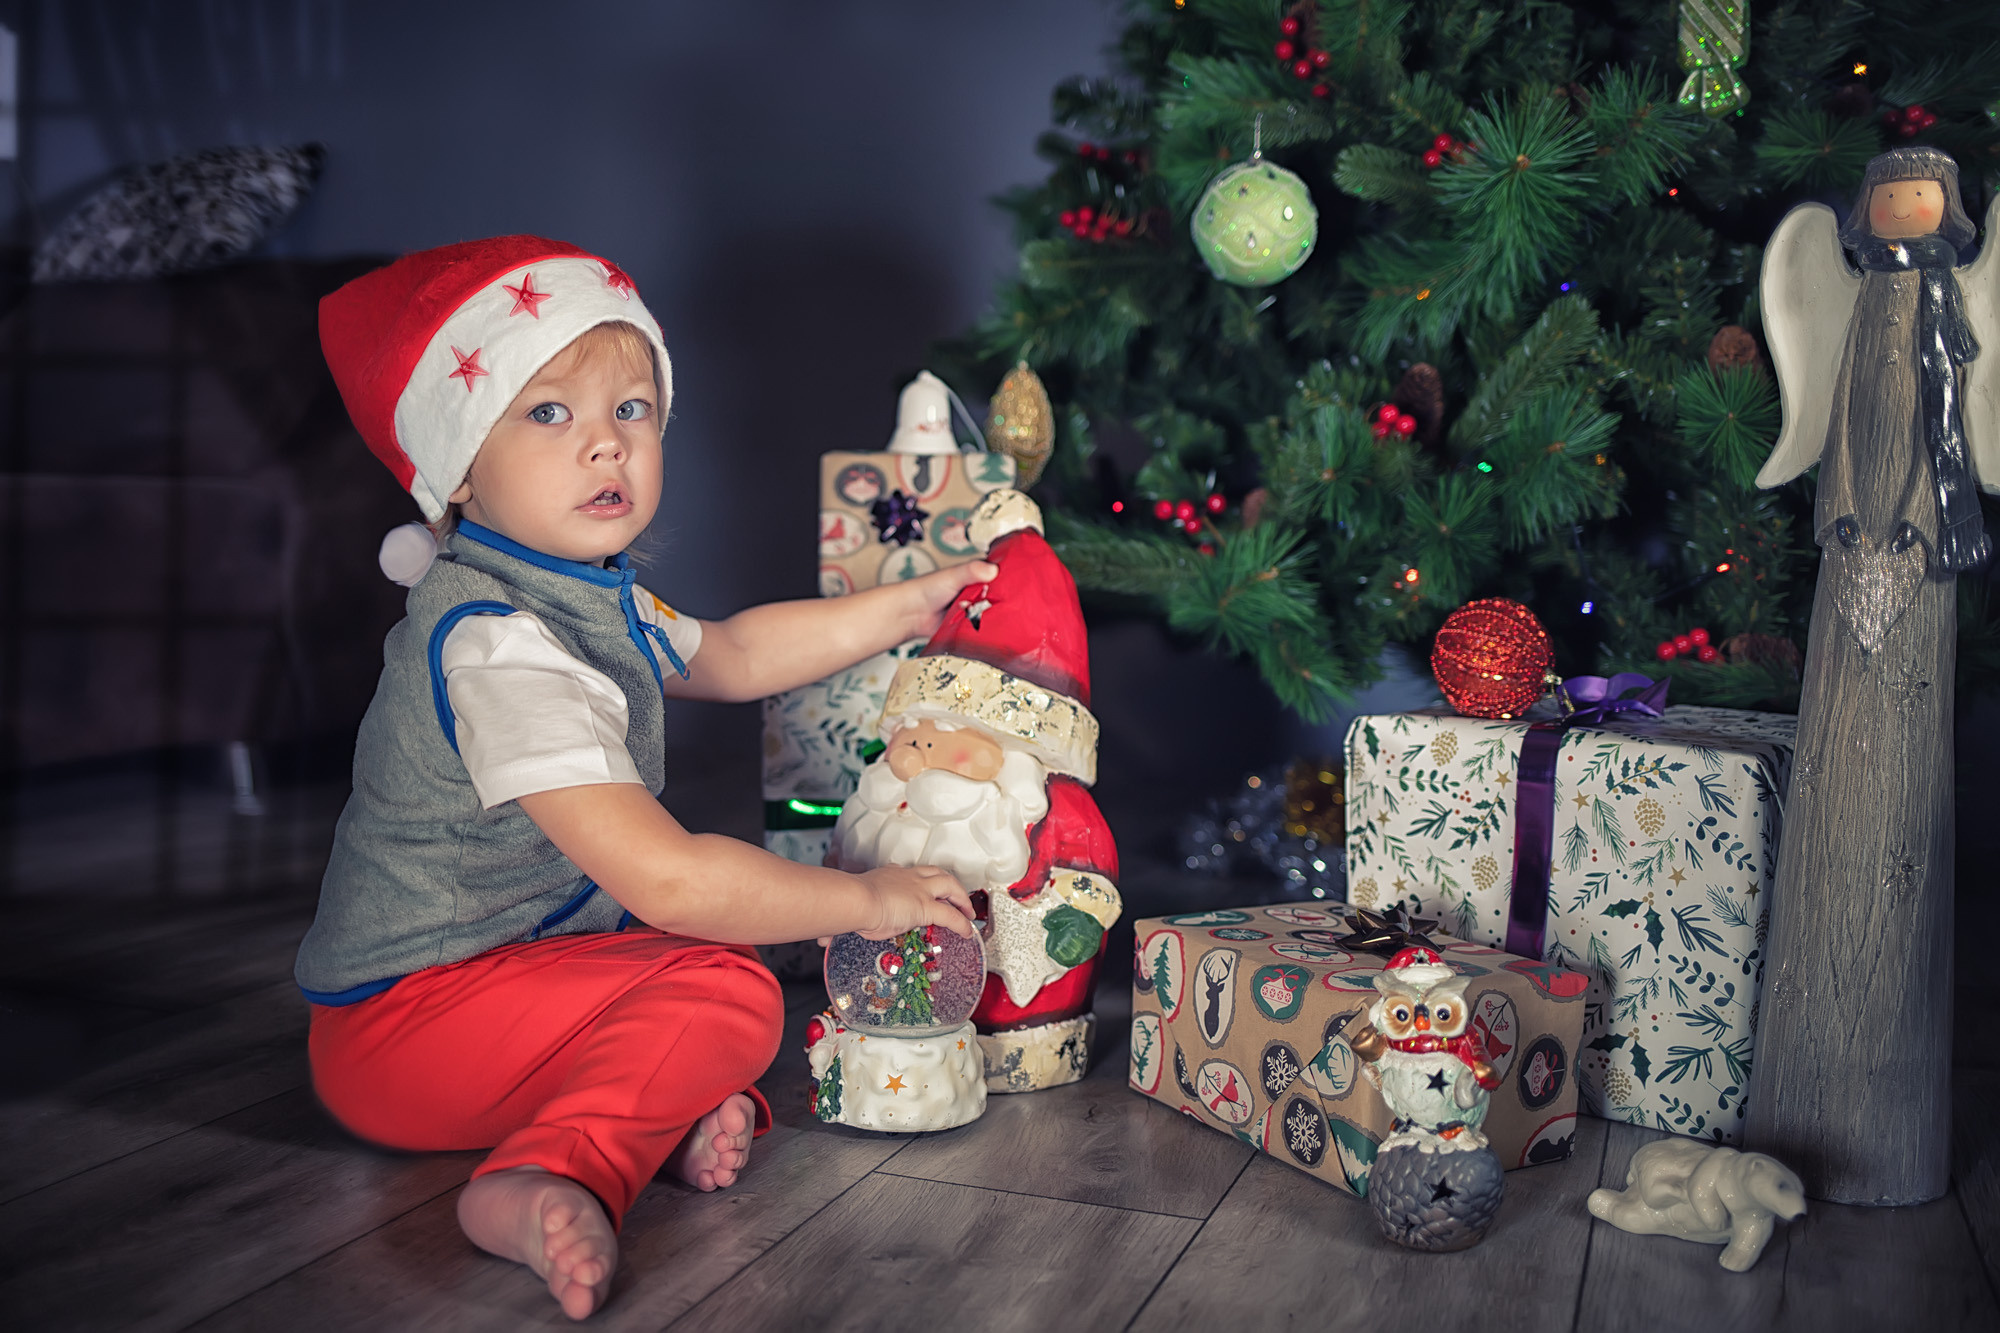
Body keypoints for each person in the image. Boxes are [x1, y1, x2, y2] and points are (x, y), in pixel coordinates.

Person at [295, 236, 981, 1319]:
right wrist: (867, 900)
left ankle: (648, 1118)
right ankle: (550, 1174)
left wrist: (904, 607)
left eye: (631, 412)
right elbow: (667, 881)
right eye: (549, 414)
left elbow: (741, 653)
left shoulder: (589, 596)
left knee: (708, 982)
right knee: (726, 981)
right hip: (400, 1030)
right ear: (462, 468)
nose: (604, 448)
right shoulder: (498, 645)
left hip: (499, 988)